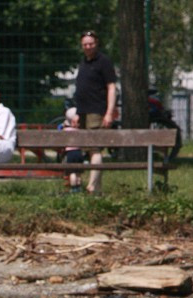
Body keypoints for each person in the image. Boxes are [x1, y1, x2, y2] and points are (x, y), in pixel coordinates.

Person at [73, 30, 116, 194]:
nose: (88, 47)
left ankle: (91, 186)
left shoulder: (104, 62)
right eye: (85, 44)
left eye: (90, 44)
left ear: (96, 44)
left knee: (95, 148)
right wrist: (77, 112)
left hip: (97, 111)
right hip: (83, 111)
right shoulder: (83, 62)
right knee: (88, 149)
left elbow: (111, 87)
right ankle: (97, 189)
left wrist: (109, 112)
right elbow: (81, 89)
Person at [62, 107, 85, 193]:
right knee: (78, 171)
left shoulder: (66, 130)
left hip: (70, 153)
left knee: (72, 172)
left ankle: (73, 187)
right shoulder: (79, 131)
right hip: (79, 152)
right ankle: (79, 186)